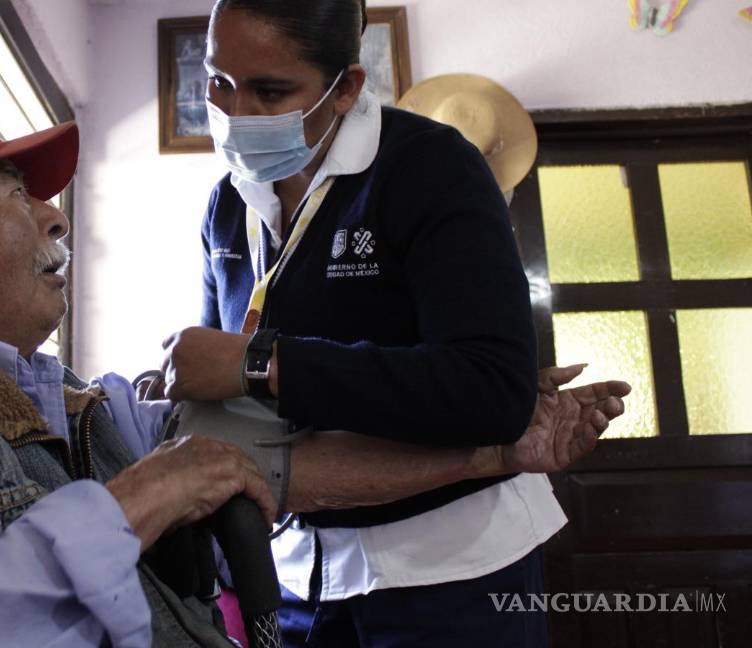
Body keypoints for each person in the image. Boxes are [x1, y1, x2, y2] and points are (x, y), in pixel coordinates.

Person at [0, 115, 626, 648]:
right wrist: (138, 499)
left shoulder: (64, 398)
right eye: (12, 192)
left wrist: (497, 448)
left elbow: (283, 467)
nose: (53, 212)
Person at [159, 1, 627, 646]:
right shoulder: (227, 204)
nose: (235, 114)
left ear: (346, 86)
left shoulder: (430, 167)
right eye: (217, 82)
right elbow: (234, 410)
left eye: (270, 90)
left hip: (453, 567)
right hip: (298, 572)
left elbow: (490, 391)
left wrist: (262, 362)